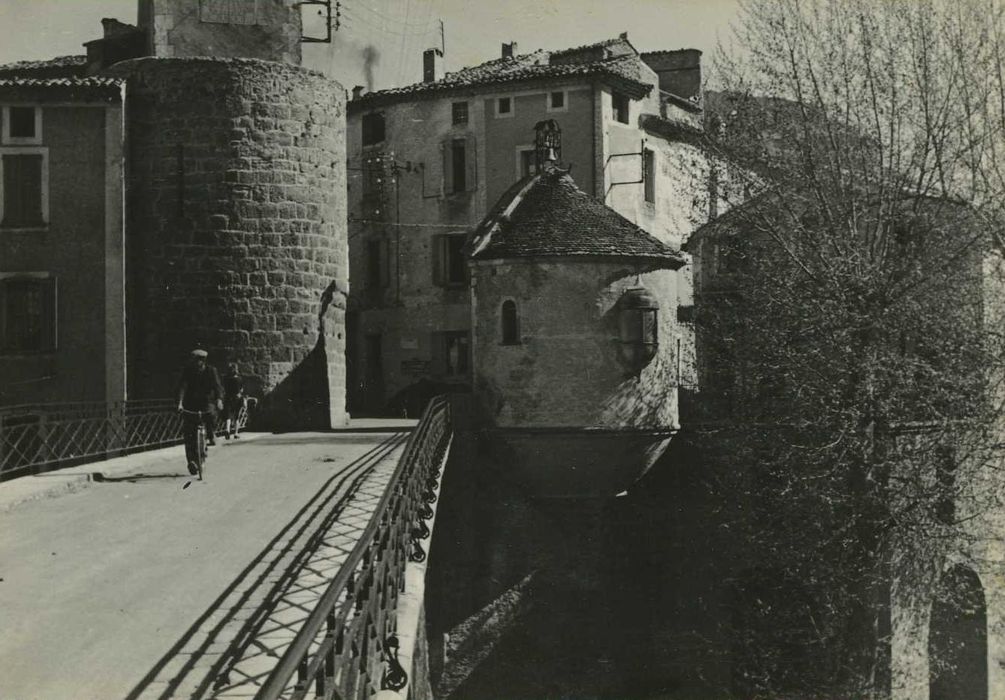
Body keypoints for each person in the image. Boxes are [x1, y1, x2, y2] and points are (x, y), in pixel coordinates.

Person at [176, 348, 224, 475]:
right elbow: (183, 387)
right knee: (188, 433)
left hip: (206, 402)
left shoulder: (211, 371)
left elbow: (217, 386)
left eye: (198, 360)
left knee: (211, 414)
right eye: (194, 360)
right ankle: (191, 461)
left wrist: (219, 399)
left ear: (203, 361)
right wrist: (180, 403)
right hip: (191, 403)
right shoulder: (188, 371)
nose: (196, 363)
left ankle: (211, 433)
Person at [222, 362, 246, 439]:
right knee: (236, 417)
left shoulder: (226, 379)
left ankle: (227, 430)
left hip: (228, 398)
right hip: (237, 399)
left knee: (228, 416)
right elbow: (241, 390)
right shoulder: (239, 379)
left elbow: (224, 388)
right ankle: (236, 433)